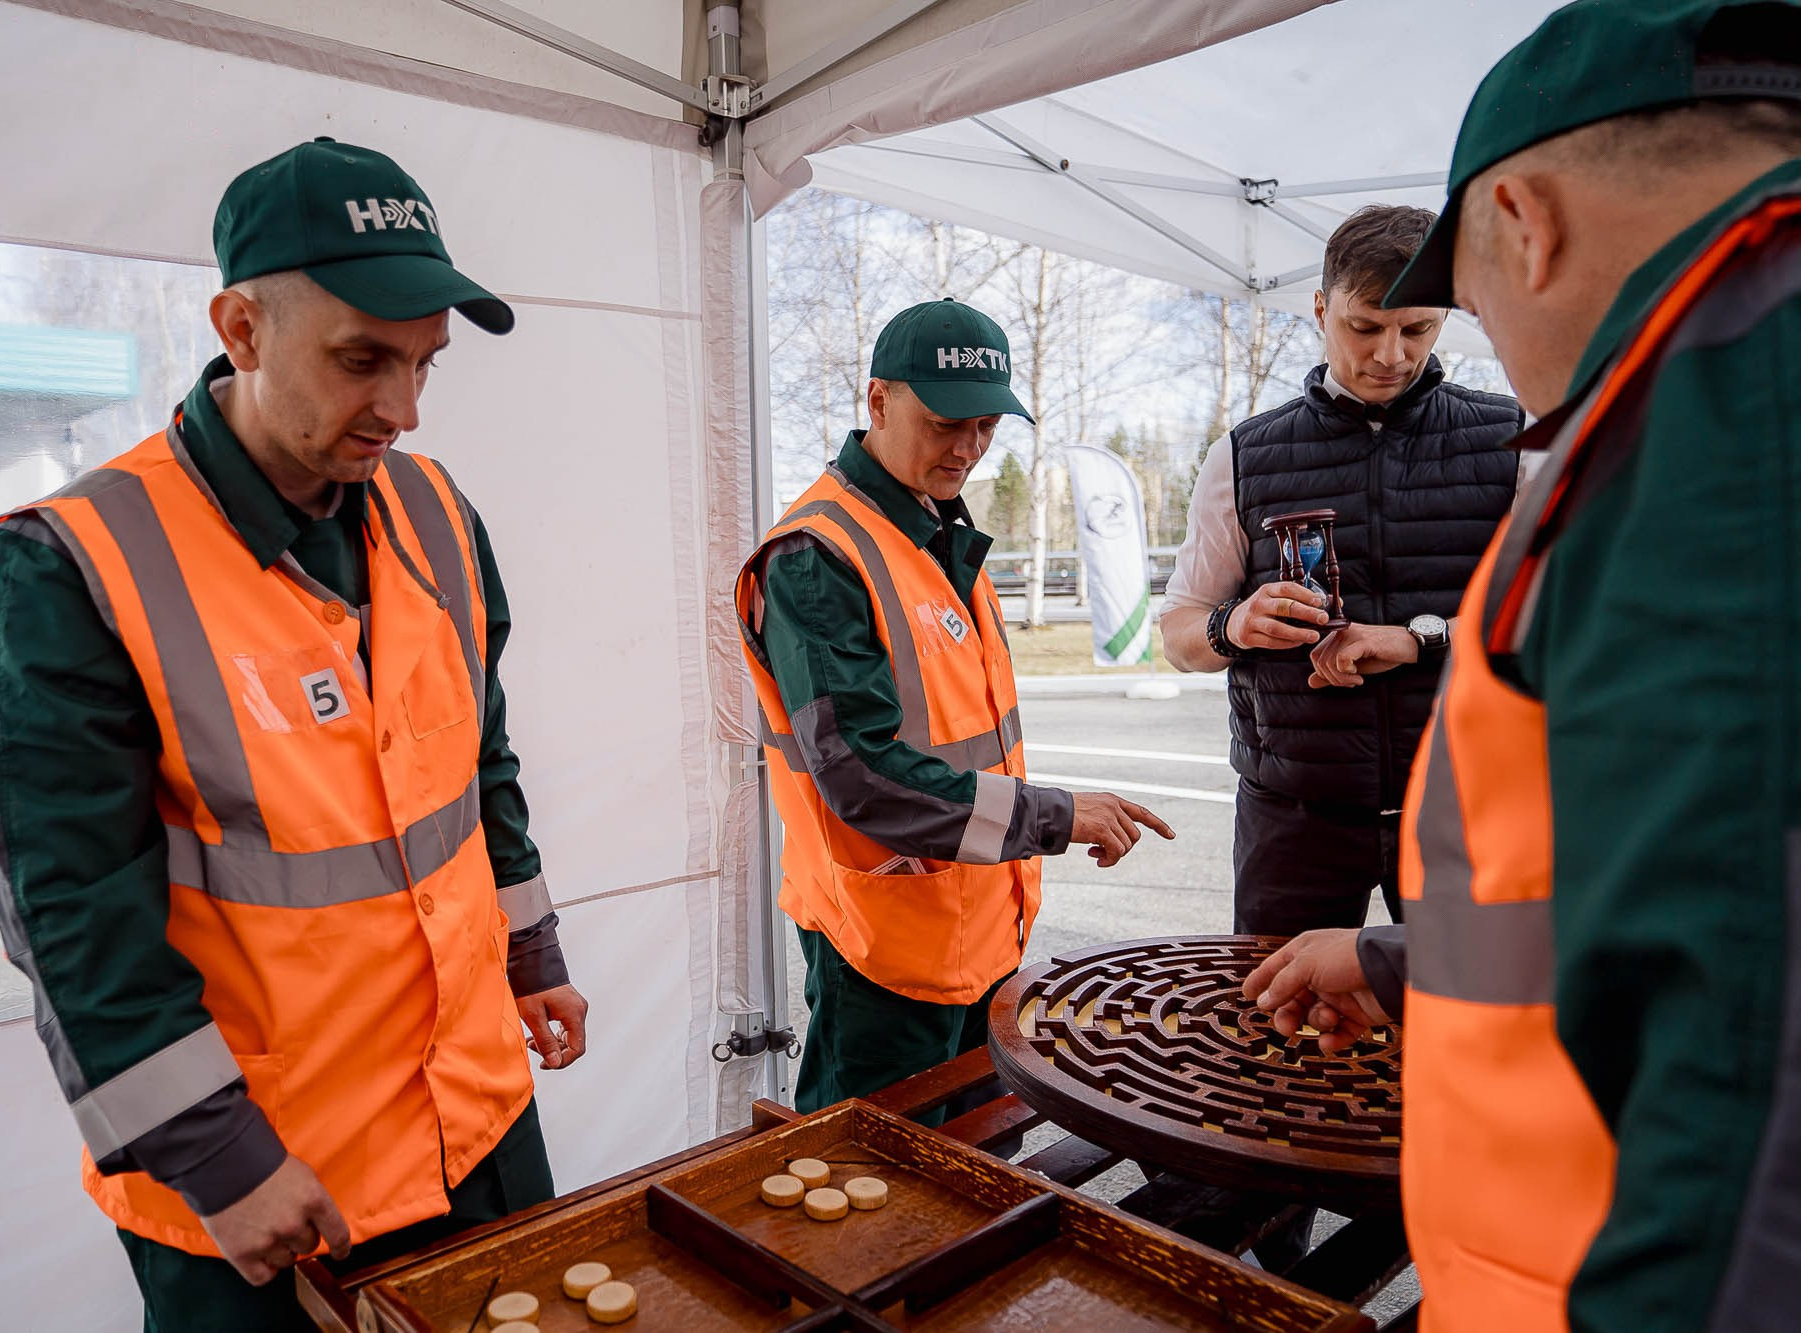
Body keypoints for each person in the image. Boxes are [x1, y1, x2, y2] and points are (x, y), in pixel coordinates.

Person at [0, 138, 589, 1331]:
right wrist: (215, 1158)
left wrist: (531, 947)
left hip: (478, 1123)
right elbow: (68, 909)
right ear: (239, 328)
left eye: (423, 364)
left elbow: (474, 769)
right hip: (268, 1180)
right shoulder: (66, 567)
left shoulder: (437, 513)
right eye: (362, 360)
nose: (400, 409)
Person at [1242, 2, 1801, 1327]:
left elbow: (1755, 1070)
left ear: (1523, 220)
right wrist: (1394, 965)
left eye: (1454, 310)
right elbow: (1661, 867)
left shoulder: (1739, 408)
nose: (1458, 340)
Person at [736, 298, 1174, 1114]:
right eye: (946, 423)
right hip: (881, 955)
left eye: (986, 427)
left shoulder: (937, 536)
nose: (968, 448)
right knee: (876, 1208)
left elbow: (966, 745)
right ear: (878, 401)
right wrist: (1058, 816)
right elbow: (863, 778)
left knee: (981, 1172)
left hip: (977, 932)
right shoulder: (816, 555)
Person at [1158, 206, 1524, 937]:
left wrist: (1419, 640)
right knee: (1278, 1032)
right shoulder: (1244, 454)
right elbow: (1179, 633)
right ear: (1321, 309)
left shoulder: (1510, 439)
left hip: (1468, 808)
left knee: (1462, 1036)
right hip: (1294, 817)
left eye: (1416, 328)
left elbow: (1558, 621)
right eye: (1365, 327)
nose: (1391, 353)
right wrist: (1235, 625)